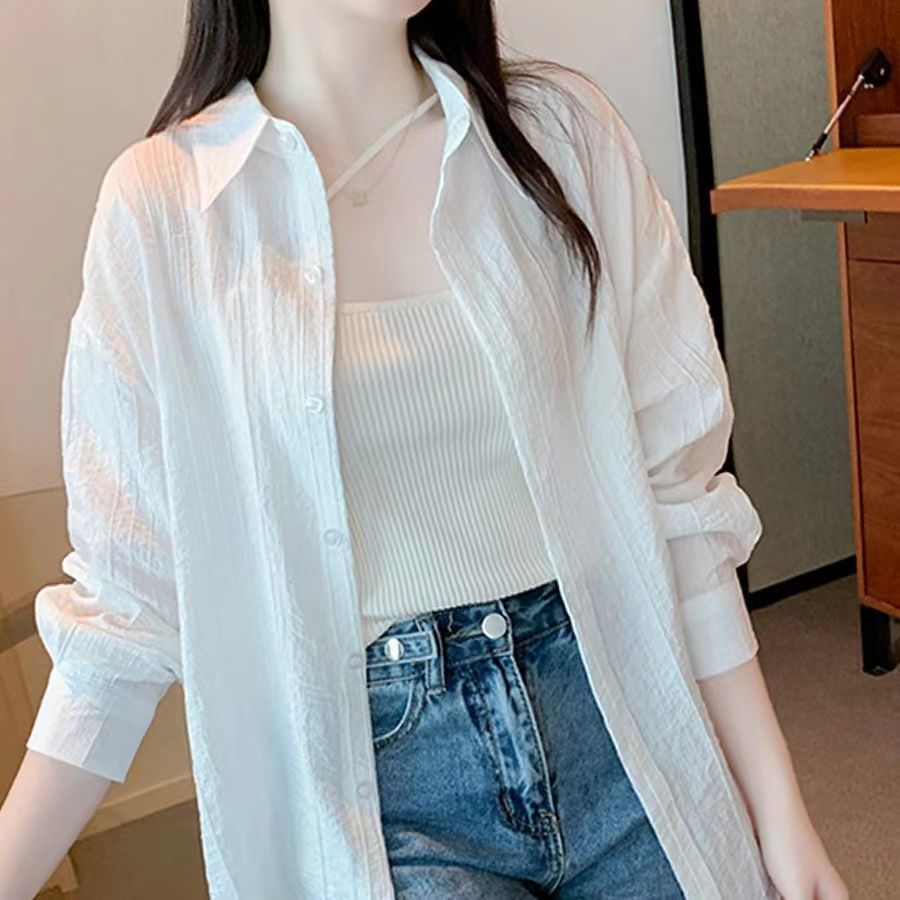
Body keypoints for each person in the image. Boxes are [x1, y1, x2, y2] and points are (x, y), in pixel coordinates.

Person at [0, 2, 849, 899]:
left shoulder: (561, 137)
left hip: (620, 712)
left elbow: (679, 501)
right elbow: (127, 607)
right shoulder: (168, 207)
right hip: (382, 792)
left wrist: (779, 809)